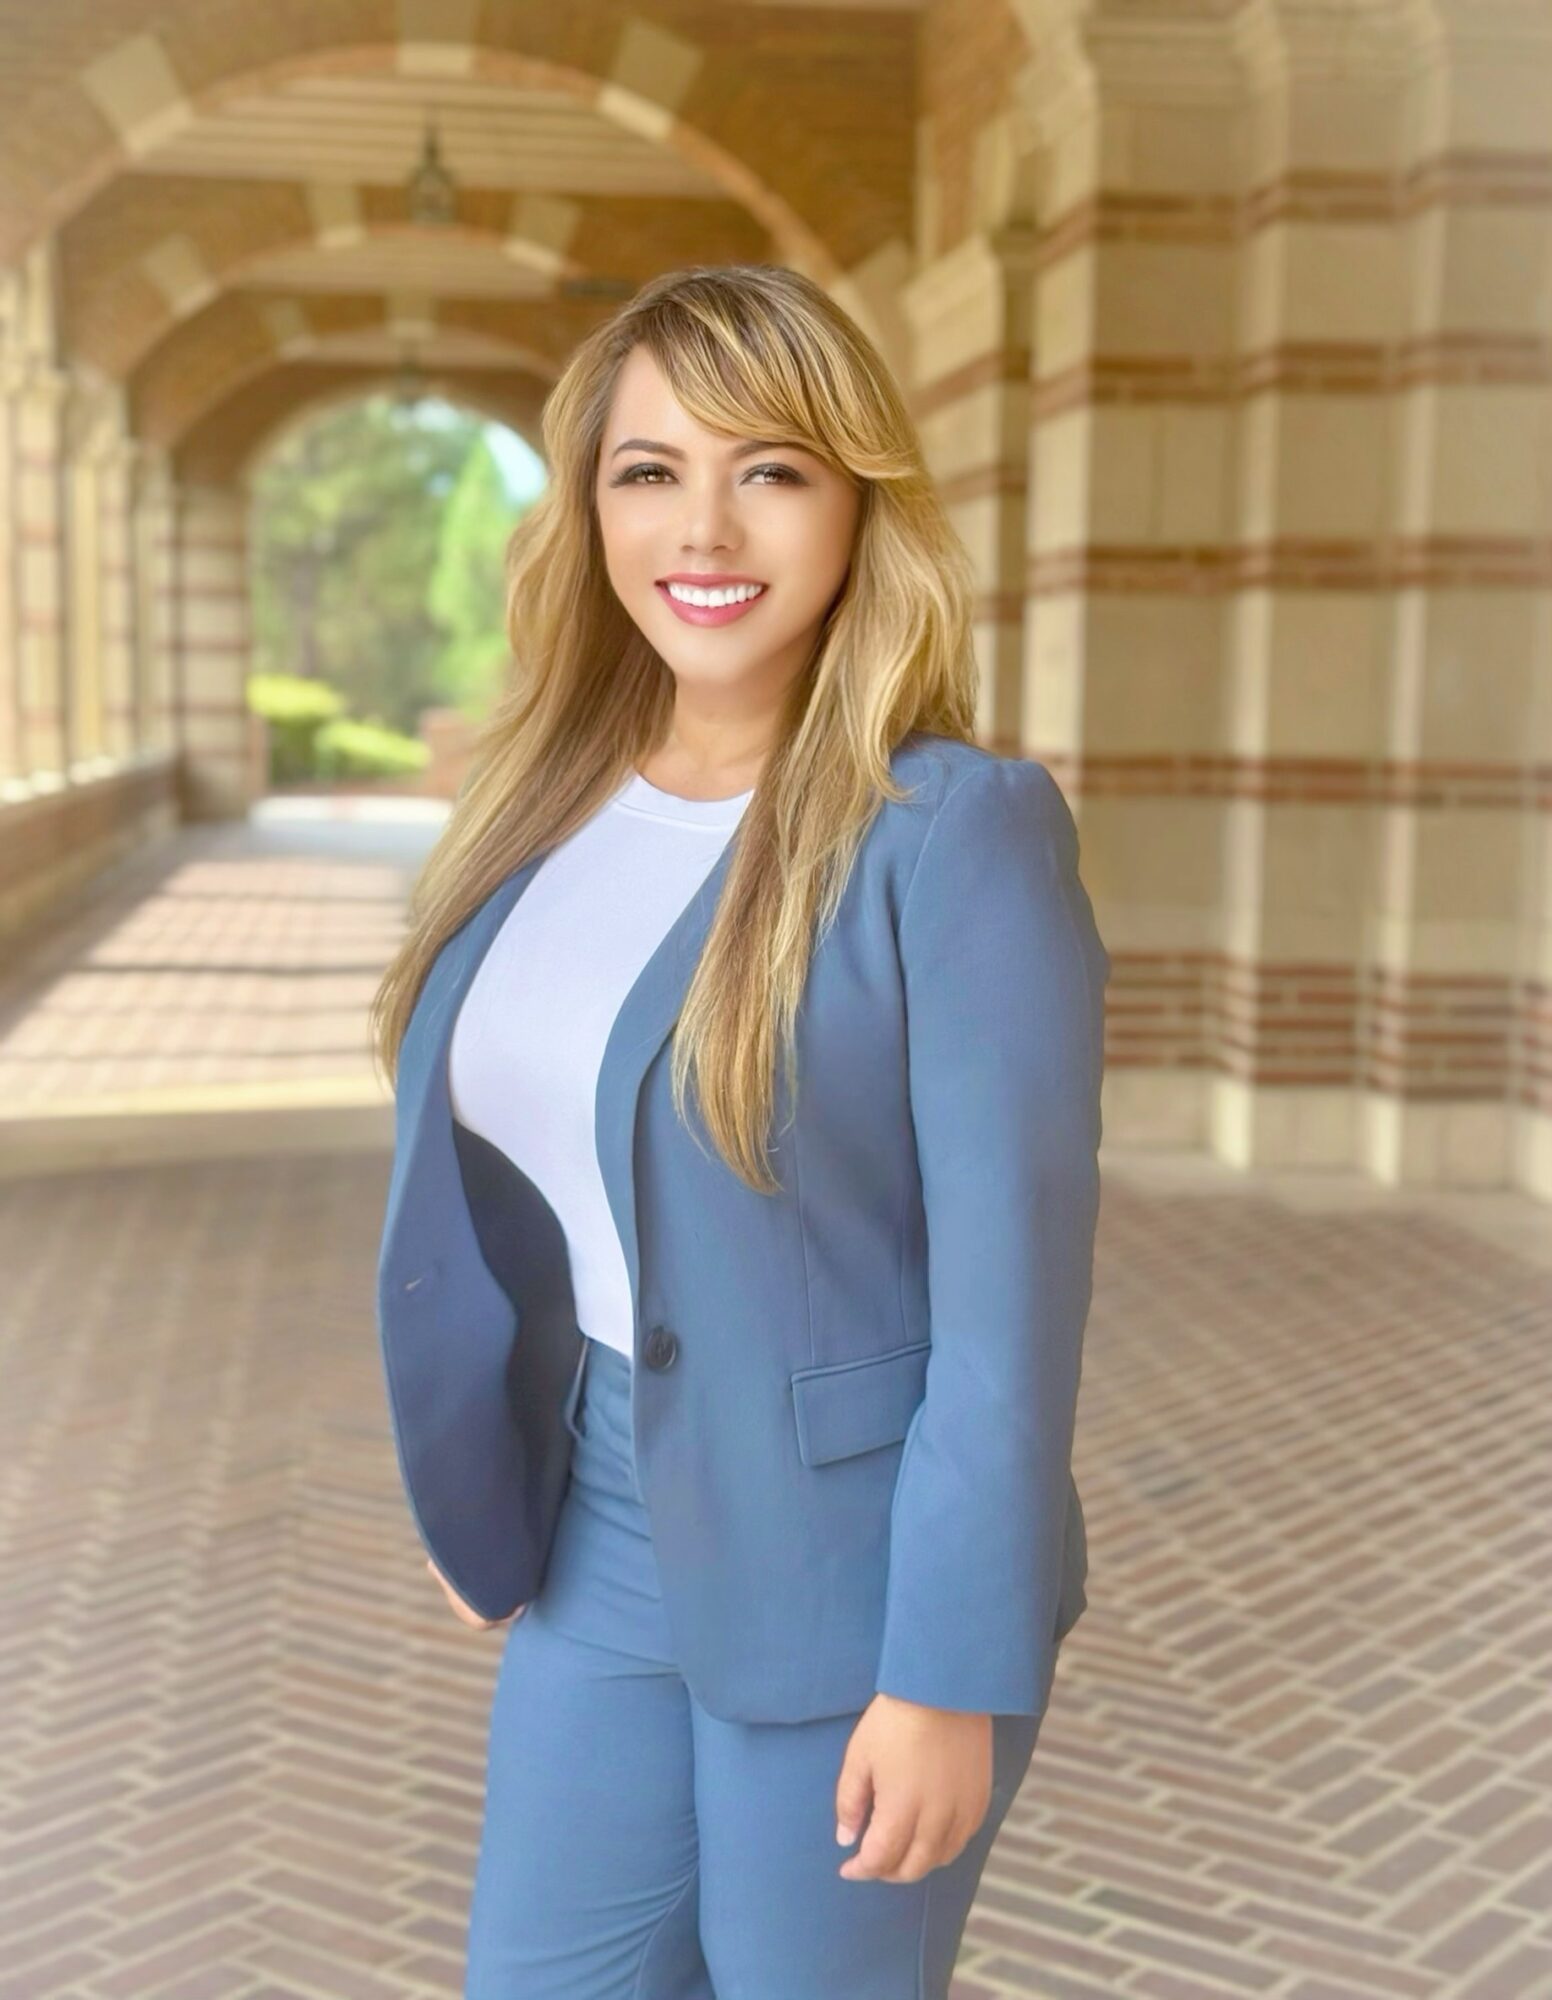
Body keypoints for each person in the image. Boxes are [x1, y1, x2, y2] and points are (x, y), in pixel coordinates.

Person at [369, 262, 1109, 1999]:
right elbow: (509, 1177)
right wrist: (478, 1458)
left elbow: (1012, 1321)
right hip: (598, 1531)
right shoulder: (538, 808)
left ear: (859, 502)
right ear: (592, 509)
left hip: (860, 1581)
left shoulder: (954, 833)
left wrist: (949, 1671)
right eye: (650, 471)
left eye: (771, 467)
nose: (706, 525)